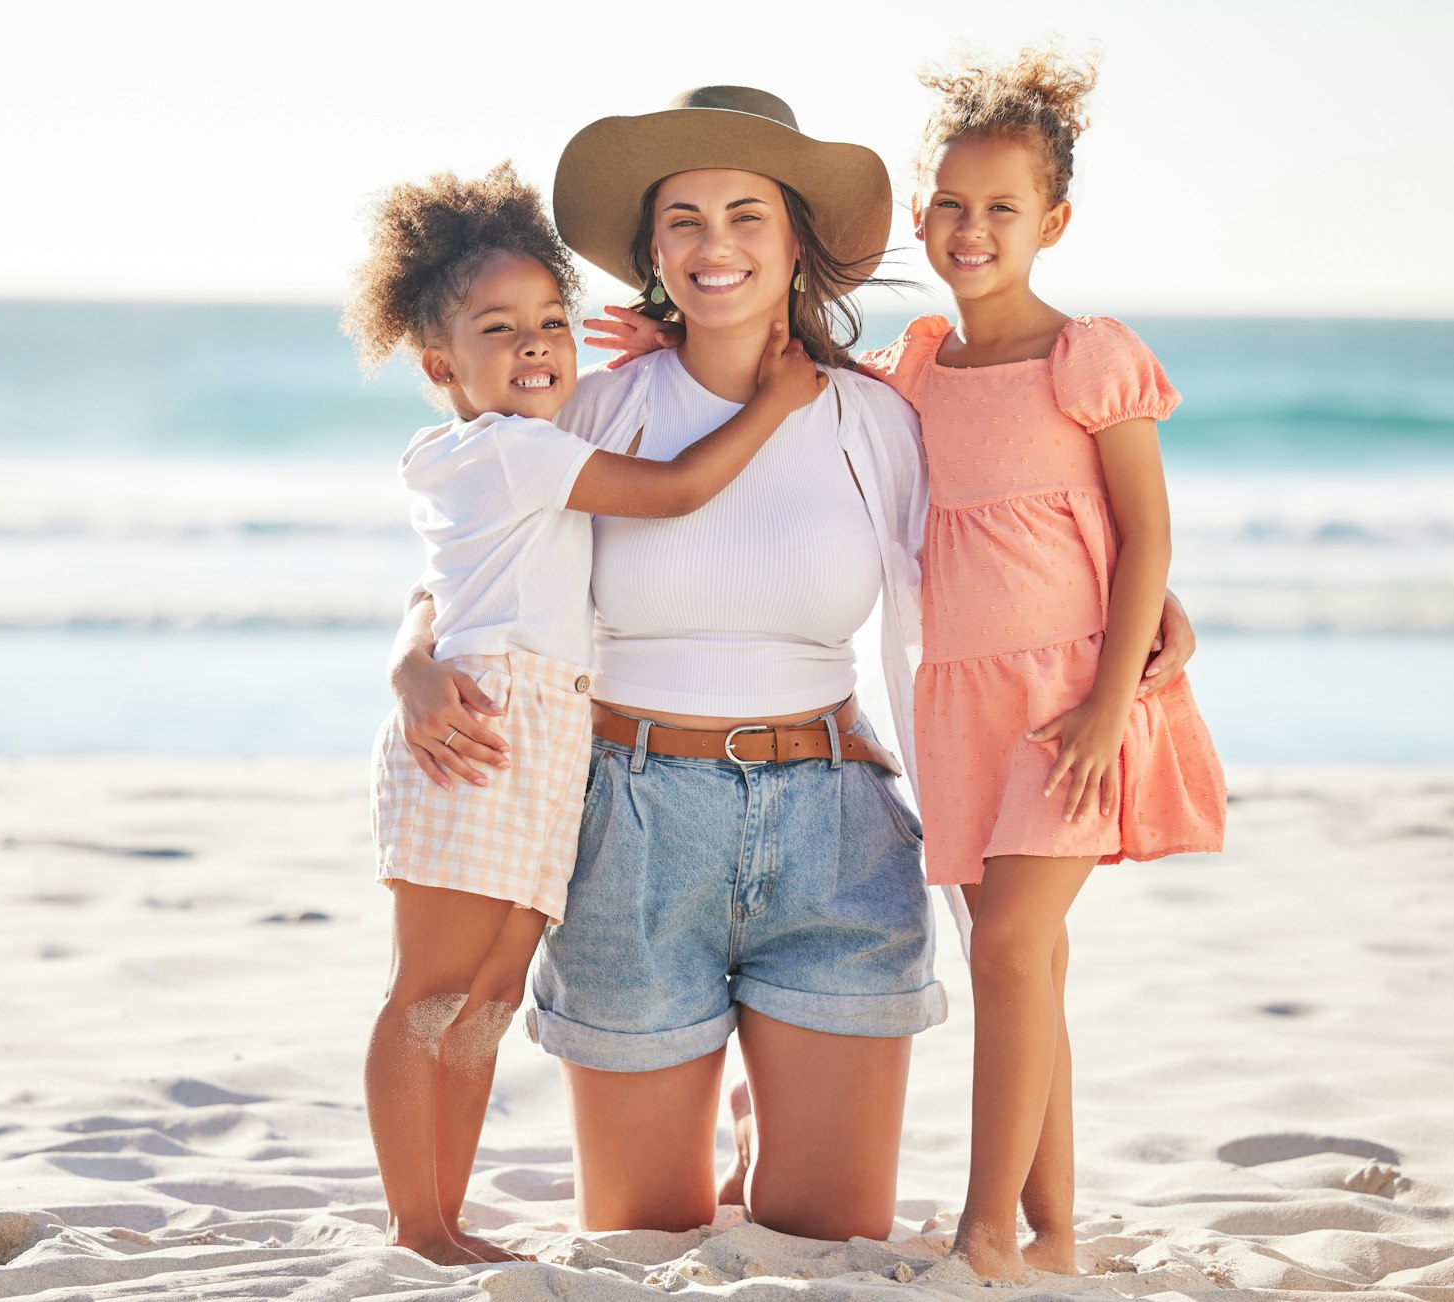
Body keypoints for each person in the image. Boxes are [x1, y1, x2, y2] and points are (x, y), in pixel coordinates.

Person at [389, 90, 1201, 1244]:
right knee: (642, 1233)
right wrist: (409, 660)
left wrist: (1149, 598)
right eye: (682, 220)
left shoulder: (878, 416)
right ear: (653, 255)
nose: (714, 245)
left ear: (794, 243)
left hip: (830, 829)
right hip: (629, 830)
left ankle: (767, 1099)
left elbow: (1007, 519)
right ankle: (726, 1107)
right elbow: (467, 560)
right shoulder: (593, 409)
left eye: (745, 215)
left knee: (825, 1234)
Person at [347, 162, 825, 1266]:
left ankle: (445, 1215)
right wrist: (773, 402)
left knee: (489, 995)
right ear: (440, 365)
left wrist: (404, 653)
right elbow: (671, 491)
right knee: (428, 990)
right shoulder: (509, 451)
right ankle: (415, 1222)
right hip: (482, 726)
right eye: (498, 329)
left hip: (548, 727)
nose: (534, 348)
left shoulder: (512, 448)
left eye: (552, 324)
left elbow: (435, 591)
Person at [858, 50, 1227, 1279]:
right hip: (960, 698)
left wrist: (1108, 704)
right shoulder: (916, 364)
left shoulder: (1088, 355)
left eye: (1000, 208)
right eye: (950, 207)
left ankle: (984, 1235)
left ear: (1050, 222)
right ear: (921, 217)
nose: (971, 230)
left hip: (1076, 697)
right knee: (1023, 960)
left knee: (1012, 950)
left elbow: (1145, 538)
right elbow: (798, 385)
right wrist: (666, 332)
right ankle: (1055, 1235)